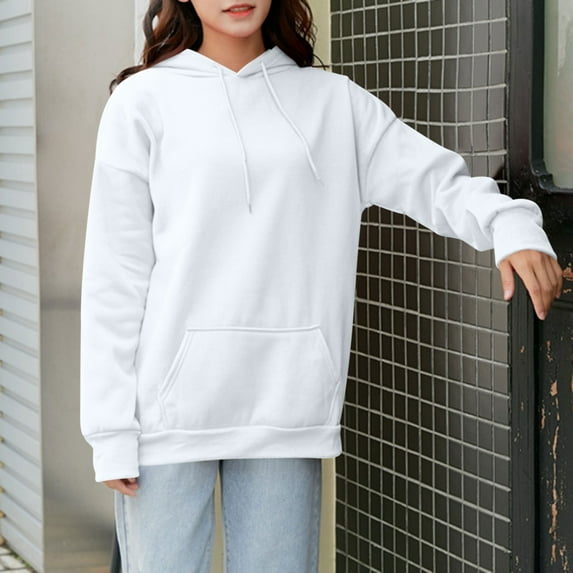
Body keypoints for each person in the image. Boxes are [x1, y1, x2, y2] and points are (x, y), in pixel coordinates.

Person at [80, 1, 563, 572]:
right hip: (165, 415)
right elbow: (115, 275)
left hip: (287, 404)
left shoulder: (333, 103)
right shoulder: (142, 102)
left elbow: (435, 181)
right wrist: (110, 429)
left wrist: (509, 223)